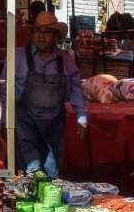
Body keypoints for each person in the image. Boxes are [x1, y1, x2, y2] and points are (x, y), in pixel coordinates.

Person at [12, 12, 88, 179]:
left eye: (46, 31)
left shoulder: (65, 59)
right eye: (38, 31)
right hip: (26, 125)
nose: (41, 36)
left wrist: (81, 115)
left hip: (54, 126)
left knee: (52, 177)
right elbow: (5, 91)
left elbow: (76, 87)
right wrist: (5, 122)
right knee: (32, 173)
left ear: (55, 35)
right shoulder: (17, 56)